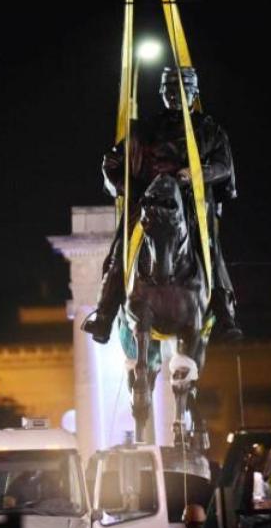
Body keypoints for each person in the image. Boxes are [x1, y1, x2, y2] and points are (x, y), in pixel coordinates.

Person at [82, 66, 242, 344]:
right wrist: (129, 189)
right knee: (121, 251)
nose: (174, 97)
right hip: (147, 202)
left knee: (211, 251)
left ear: (193, 94)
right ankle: (104, 314)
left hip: (190, 206)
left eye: (180, 91)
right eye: (168, 91)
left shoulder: (208, 129)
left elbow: (223, 165)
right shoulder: (143, 129)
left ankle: (223, 310)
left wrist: (193, 175)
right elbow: (112, 164)